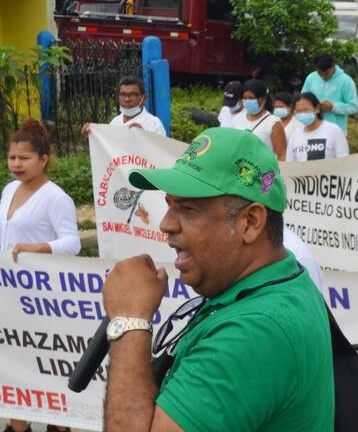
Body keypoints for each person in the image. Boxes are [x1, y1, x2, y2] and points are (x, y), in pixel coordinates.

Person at [102, 127, 333, 431]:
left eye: (187, 209)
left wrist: (129, 321)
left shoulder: (254, 331)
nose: (166, 224)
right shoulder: (276, 280)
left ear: (250, 222)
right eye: (170, 204)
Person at [3, 120, 80, 432]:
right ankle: (17, 424)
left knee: (46, 365)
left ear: (44, 159)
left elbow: (72, 243)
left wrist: (40, 248)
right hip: (9, 295)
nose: (16, 164)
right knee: (12, 362)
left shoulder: (55, 197)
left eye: (25, 158)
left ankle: (59, 425)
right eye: (12, 158)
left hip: (43, 299)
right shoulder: (9, 190)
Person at [81, 76, 167, 137]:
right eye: (122, 94)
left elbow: (161, 155)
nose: (127, 99)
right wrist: (92, 134)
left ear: (144, 98)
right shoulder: (115, 123)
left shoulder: (154, 124)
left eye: (133, 95)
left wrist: (144, 137)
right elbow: (106, 151)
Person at [301, 53, 358, 133]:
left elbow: (354, 107)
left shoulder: (346, 81)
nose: (323, 77)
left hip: (337, 129)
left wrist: (333, 107)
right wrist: (312, 106)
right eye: (319, 73)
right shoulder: (311, 78)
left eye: (326, 73)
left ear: (333, 65)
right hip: (313, 127)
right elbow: (302, 100)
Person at [232, 79, 286, 161]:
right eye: (245, 98)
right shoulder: (237, 119)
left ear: (263, 99)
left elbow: (282, 155)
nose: (247, 101)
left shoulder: (273, 122)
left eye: (251, 98)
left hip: (265, 171)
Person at [286, 92, 349, 162]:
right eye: (299, 111)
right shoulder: (295, 134)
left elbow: (344, 161)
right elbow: (290, 163)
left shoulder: (334, 130)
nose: (302, 114)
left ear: (317, 108)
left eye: (306, 110)